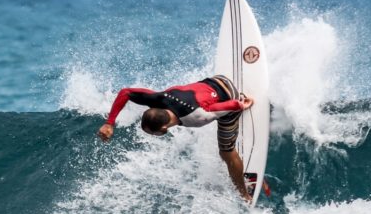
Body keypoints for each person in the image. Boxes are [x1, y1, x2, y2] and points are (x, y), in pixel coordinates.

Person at [97, 74, 258, 202]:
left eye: (154, 134)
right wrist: (109, 123)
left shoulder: (196, 116)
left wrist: (241, 103)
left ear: (163, 128)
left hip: (229, 95)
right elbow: (126, 92)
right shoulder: (159, 98)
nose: (155, 136)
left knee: (226, 152)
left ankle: (244, 194)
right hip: (215, 79)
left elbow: (223, 107)